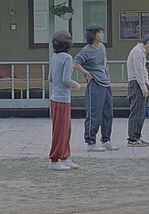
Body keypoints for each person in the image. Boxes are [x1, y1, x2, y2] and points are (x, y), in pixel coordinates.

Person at [73, 23, 118, 152]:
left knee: (108, 114)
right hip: (95, 85)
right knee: (94, 115)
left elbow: (104, 59)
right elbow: (75, 63)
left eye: (102, 32)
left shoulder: (102, 47)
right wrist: (87, 73)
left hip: (106, 83)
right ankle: (91, 142)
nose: (102, 35)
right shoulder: (86, 50)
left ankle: (106, 140)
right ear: (93, 35)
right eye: (100, 33)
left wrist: (105, 70)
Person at [48, 31, 81, 170]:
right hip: (62, 99)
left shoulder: (54, 57)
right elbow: (66, 79)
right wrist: (76, 85)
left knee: (64, 129)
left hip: (55, 97)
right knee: (62, 130)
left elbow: (50, 78)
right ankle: (55, 160)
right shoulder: (67, 58)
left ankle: (64, 157)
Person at [126, 33, 149, 147]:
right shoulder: (138, 52)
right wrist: (143, 87)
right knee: (136, 112)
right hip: (136, 84)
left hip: (139, 84)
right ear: (148, 43)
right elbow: (138, 72)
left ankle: (137, 136)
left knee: (141, 113)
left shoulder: (141, 52)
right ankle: (132, 138)